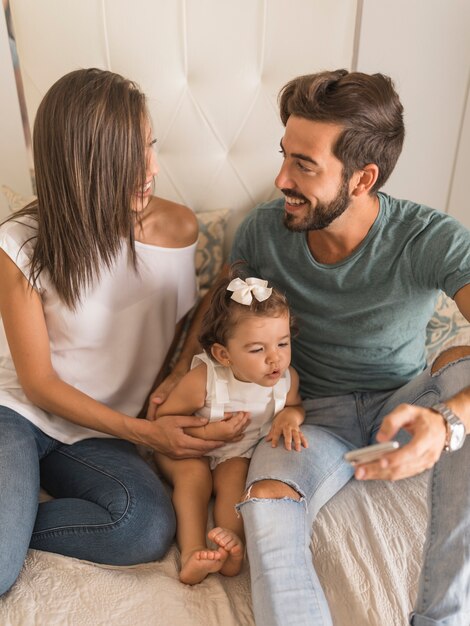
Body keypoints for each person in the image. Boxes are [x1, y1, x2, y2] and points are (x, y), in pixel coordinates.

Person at [226, 69, 470, 625]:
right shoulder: (261, 234)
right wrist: (173, 386)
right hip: (312, 415)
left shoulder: (430, 238)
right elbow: (222, 317)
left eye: (304, 166)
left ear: (363, 179)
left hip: (408, 402)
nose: (280, 178)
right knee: (265, 501)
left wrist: (449, 422)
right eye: (284, 154)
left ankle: (443, 618)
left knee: (460, 363)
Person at [0, 67, 247, 596]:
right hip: (18, 413)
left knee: (143, 528)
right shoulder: (18, 243)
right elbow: (38, 383)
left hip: (97, 432)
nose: (152, 168)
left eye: (150, 145)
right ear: (82, 163)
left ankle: (12, 525)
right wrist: (143, 434)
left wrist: (169, 388)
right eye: (130, 153)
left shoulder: (177, 230)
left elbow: (180, 322)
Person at [154, 271, 307, 585]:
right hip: (186, 448)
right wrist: (209, 435)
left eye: (282, 343)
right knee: (194, 479)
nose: (274, 358)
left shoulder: (285, 379)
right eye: (257, 350)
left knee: (235, 482)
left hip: (235, 452)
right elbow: (164, 424)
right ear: (224, 355)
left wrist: (290, 417)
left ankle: (229, 552)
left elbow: (294, 405)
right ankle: (193, 552)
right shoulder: (204, 379)